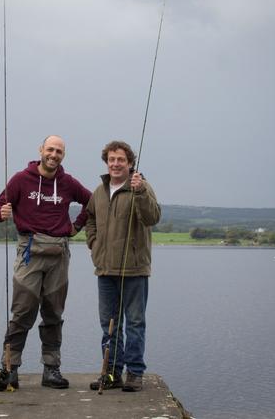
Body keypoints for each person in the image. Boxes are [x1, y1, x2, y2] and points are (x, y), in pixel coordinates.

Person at [0, 135, 91, 391]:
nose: (54, 154)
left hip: (59, 253)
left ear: (63, 155)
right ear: (41, 151)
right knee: (23, 312)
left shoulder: (68, 183)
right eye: (50, 149)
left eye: (59, 151)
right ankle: (10, 370)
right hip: (29, 252)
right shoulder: (20, 180)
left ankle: (52, 369)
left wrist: (76, 226)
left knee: (53, 313)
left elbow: (92, 202)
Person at [86, 140, 160, 392]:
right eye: (111, 159)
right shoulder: (99, 191)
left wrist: (140, 193)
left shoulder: (141, 187)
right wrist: (93, 243)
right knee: (109, 324)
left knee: (135, 323)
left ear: (130, 163)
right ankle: (111, 373)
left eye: (121, 160)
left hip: (135, 270)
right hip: (105, 270)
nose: (115, 164)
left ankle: (135, 374)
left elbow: (153, 217)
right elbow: (90, 219)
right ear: (107, 162)